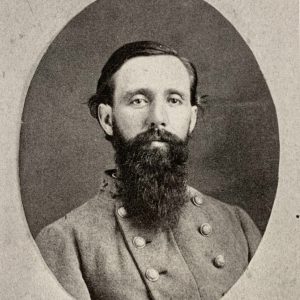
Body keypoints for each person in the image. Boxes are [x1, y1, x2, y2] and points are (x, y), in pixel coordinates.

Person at [35, 41, 261, 300]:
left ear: (193, 118)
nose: (157, 117)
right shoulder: (65, 242)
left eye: (174, 100)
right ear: (107, 119)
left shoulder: (238, 225)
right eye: (138, 100)